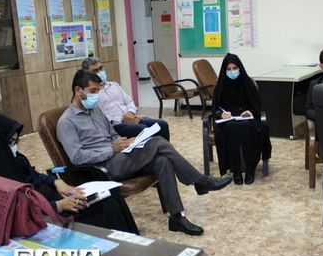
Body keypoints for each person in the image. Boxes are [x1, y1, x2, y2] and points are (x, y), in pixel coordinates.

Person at [57, 70, 232, 236]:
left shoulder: (96, 111)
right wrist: (112, 149)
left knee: (162, 161)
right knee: (158, 142)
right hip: (101, 168)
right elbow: (77, 157)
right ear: (78, 91)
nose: (96, 95)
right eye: (92, 91)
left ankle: (177, 217)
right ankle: (200, 181)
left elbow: (113, 134)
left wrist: (125, 142)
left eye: (97, 91)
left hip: (119, 157)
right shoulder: (66, 122)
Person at [0, 113, 139, 233]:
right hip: (45, 216)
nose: (14, 147)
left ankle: (133, 243)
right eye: (11, 143)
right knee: (105, 210)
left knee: (111, 195)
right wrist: (58, 206)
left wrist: (56, 182)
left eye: (16, 142)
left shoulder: (11, 159)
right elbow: (15, 214)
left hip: (52, 200)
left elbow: (32, 174)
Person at [212, 53, 271, 185]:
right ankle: (236, 170)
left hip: (247, 117)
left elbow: (257, 105)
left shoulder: (248, 82)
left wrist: (250, 111)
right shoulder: (221, 85)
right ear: (224, 70)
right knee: (231, 128)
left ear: (240, 68)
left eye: (235, 68)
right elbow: (215, 108)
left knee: (247, 127)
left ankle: (250, 169)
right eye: (229, 69)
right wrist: (221, 114)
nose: (232, 71)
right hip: (228, 120)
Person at [82, 57, 170, 141]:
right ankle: (153, 151)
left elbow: (129, 102)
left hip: (131, 117)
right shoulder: (90, 93)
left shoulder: (114, 85)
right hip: (115, 125)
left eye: (101, 68)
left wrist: (130, 113)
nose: (100, 72)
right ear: (87, 74)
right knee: (144, 130)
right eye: (95, 71)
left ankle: (165, 150)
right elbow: (98, 116)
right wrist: (124, 119)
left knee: (162, 124)